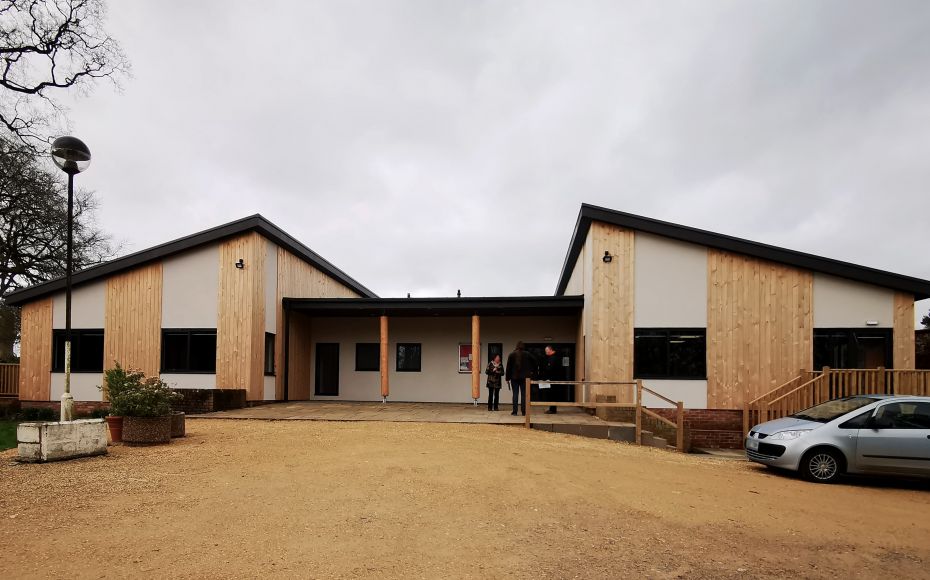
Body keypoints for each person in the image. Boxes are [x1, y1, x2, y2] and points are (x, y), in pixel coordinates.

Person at [505, 341, 536, 416]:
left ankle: (514, 411)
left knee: (515, 394)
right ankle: (524, 411)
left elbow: (508, 367)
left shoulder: (511, 354)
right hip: (525, 377)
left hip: (514, 377)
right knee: (524, 395)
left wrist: (507, 378)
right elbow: (535, 361)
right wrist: (531, 371)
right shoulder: (527, 354)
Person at [540, 345, 565, 414]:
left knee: (552, 394)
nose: (545, 353)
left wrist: (545, 376)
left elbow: (550, 369)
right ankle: (552, 409)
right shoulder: (555, 357)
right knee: (552, 395)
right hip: (553, 379)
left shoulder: (553, 358)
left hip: (553, 379)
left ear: (550, 350)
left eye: (546, 351)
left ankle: (552, 409)